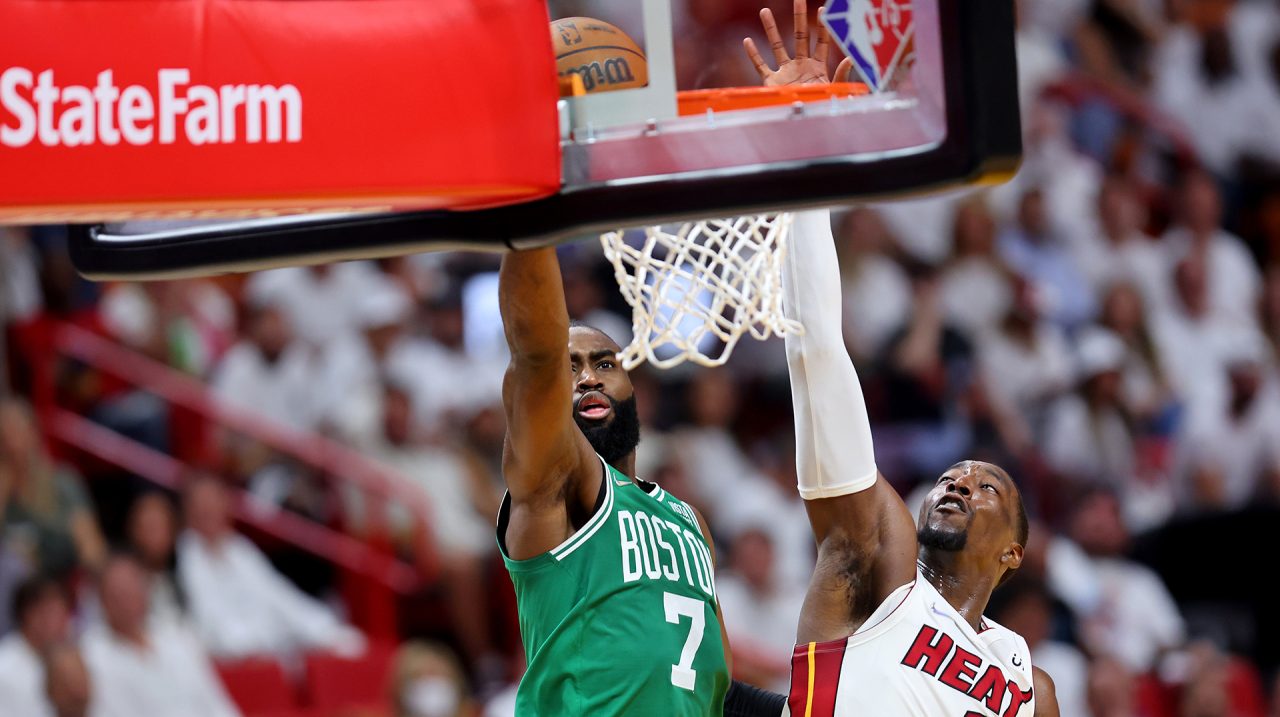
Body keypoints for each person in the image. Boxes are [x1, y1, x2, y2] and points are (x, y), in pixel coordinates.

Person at [747, 8, 1059, 710]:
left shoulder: (1027, 679)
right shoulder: (881, 563)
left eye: (987, 488)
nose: (957, 483)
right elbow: (818, 350)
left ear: (1014, 550)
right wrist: (804, 157)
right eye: (953, 476)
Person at [495, 47, 793, 707]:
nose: (587, 377)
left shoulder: (688, 519)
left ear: (639, 387)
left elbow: (708, 682)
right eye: (573, 367)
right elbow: (537, 352)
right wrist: (531, 186)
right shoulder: (559, 486)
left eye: (604, 361)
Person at [175, 475, 365, 661]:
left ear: (226, 503)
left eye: (213, 501)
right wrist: (251, 646)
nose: (207, 510)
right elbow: (210, 620)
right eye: (200, 503)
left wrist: (325, 631)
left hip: (267, 649)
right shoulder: (184, 555)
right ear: (187, 510)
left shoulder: (239, 548)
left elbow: (279, 595)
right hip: (232, 659)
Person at [82, 552, 241, 717]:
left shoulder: (178, 635)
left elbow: (216, 704)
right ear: (102, 599)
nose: (126, 599)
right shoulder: (92, 656)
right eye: (118, 592)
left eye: (132, 587)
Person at [0, 575, 72, 717]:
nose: (64, 621)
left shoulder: (69, 658)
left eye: (65, 611)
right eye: (53, 611)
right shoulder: (4, 667)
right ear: (30, 615)